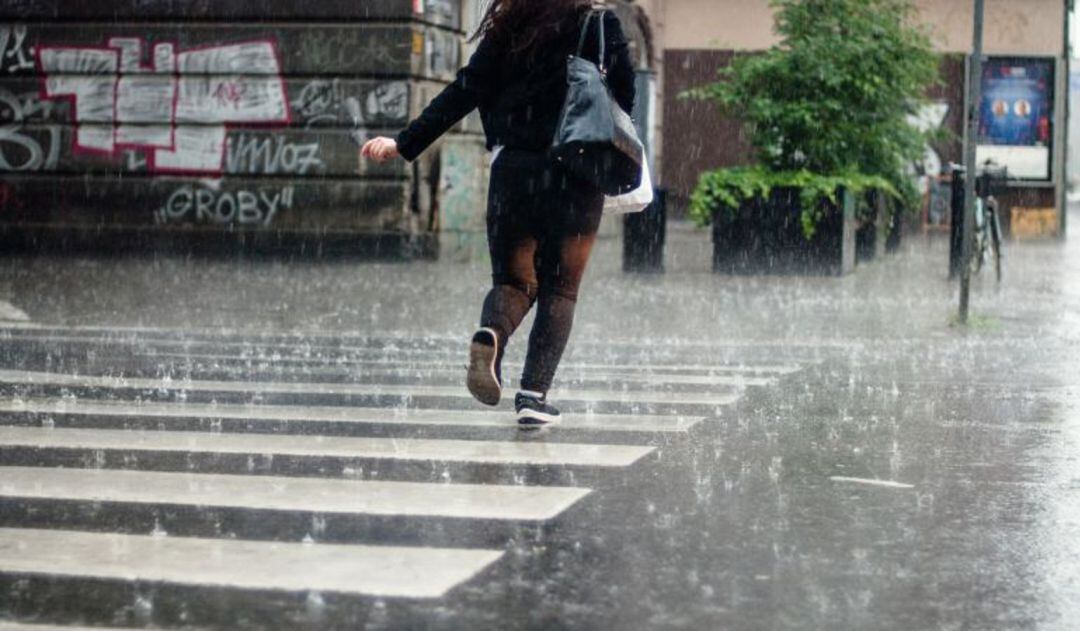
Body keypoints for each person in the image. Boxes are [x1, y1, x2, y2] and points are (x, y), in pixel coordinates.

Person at [361, 0, 635, 426]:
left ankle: (493, 334)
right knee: (560, 288)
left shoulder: (511, 22)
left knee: (514, 280)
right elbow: (624, 95)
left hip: (514, 170)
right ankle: (533, 396)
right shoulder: (599, 22)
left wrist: (404, 142)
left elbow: (466, 89)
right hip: (577, 171)